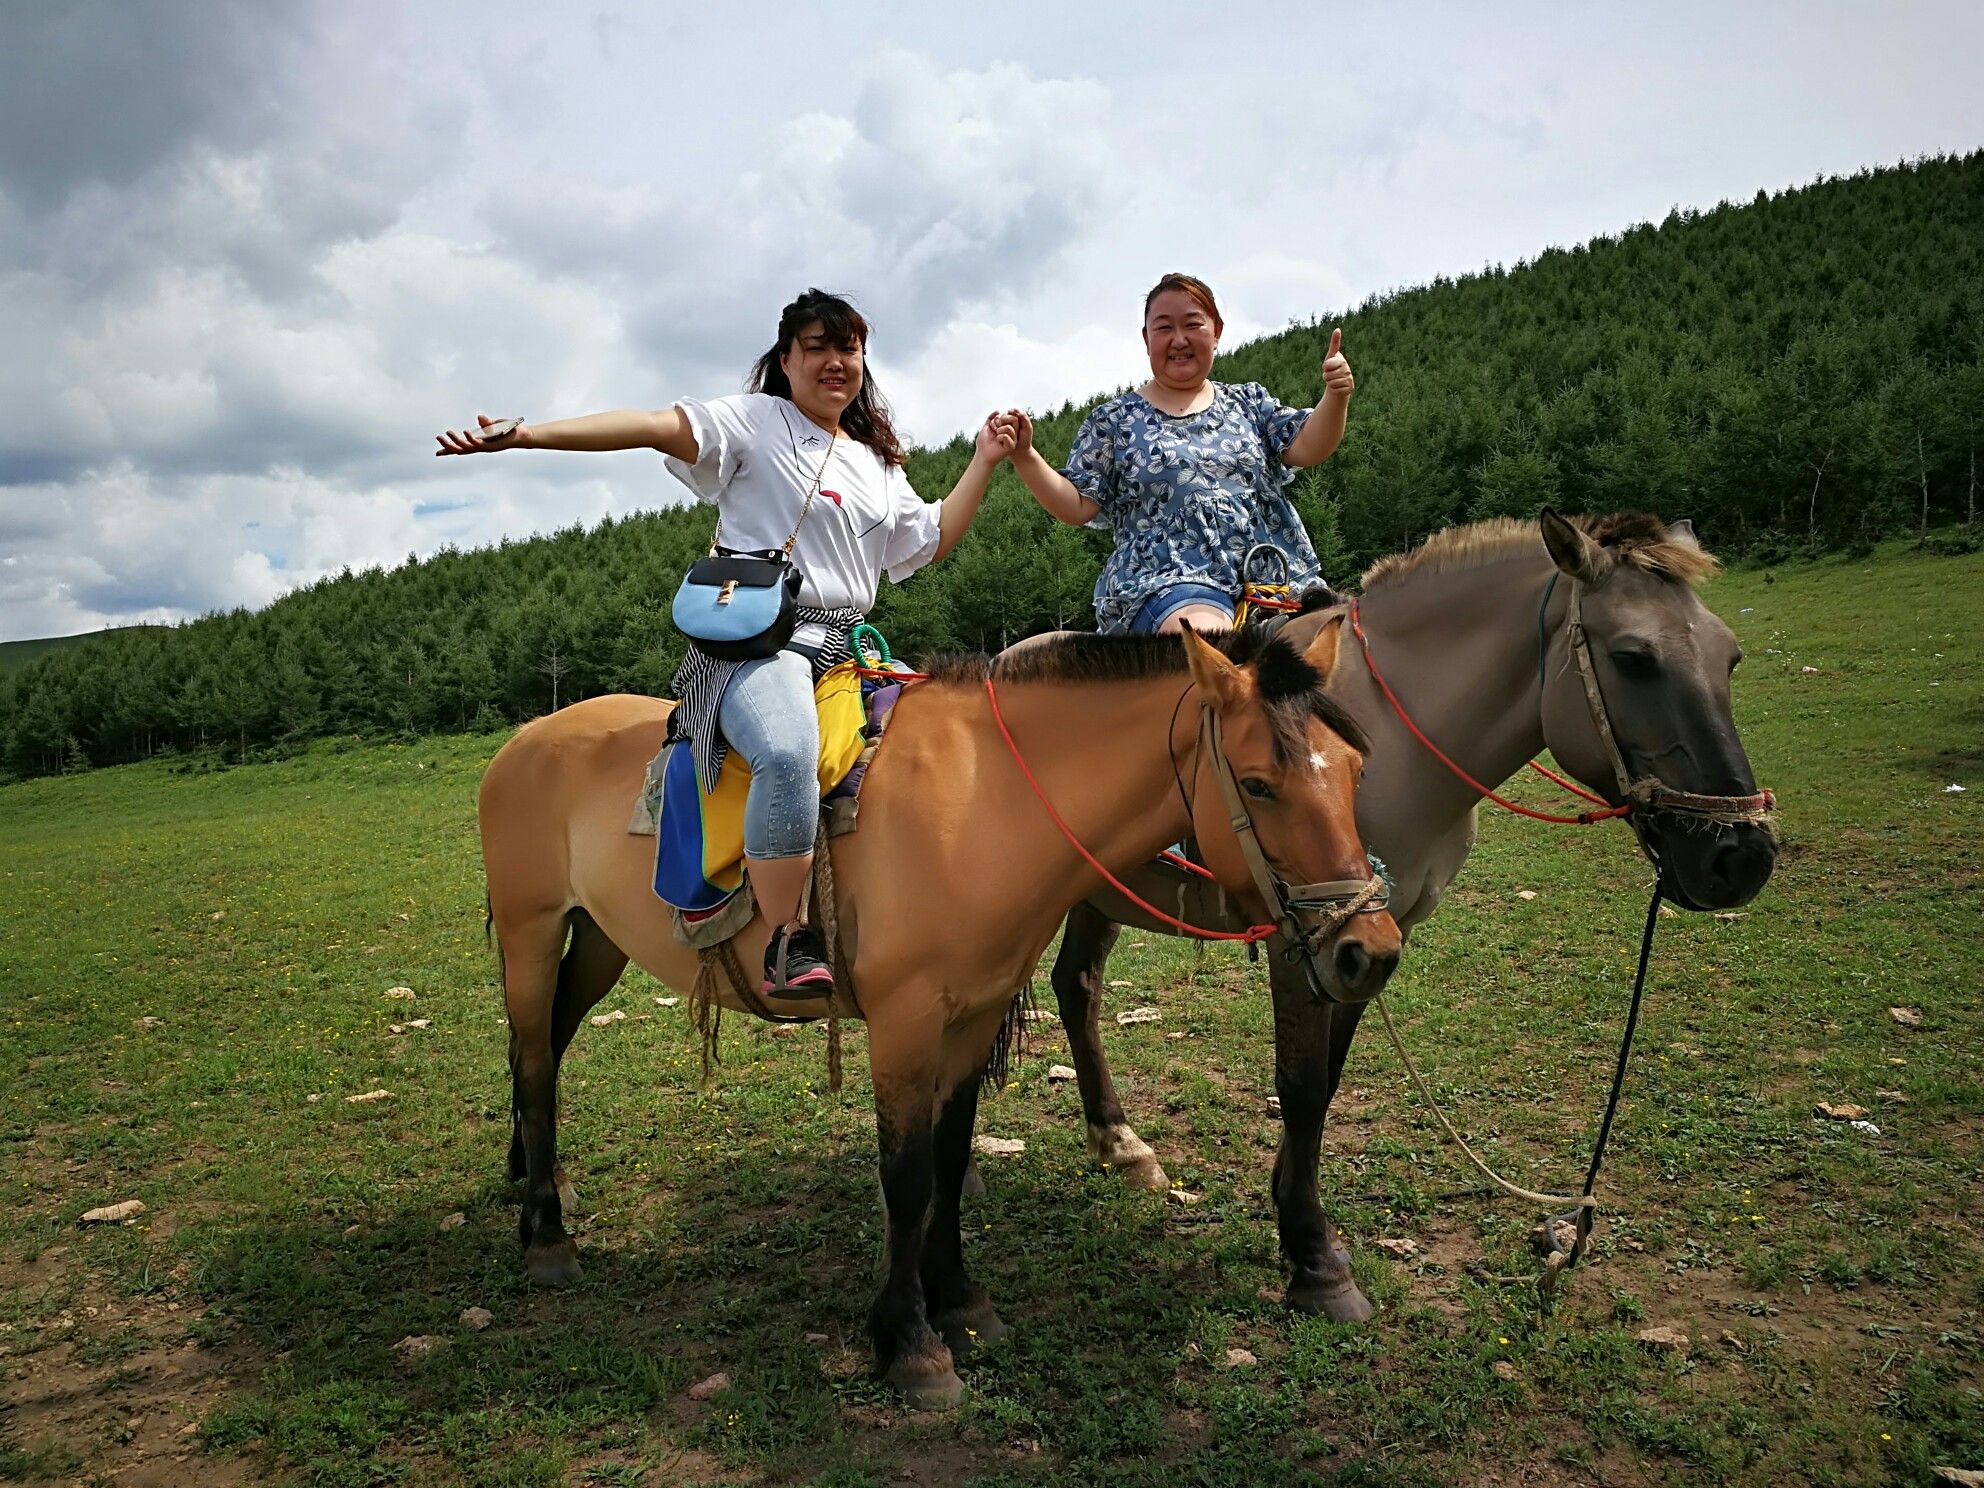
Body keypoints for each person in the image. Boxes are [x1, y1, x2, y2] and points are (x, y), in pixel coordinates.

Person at [436, 289, 1013, 998]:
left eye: (849, 349)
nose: (836, 362)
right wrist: (530, 436)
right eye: (817, 348)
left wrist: (984, 460)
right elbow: (651, 425)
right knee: (786, 748)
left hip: (850, 649)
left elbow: (929, 541)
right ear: (786, 360)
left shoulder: (873, 461)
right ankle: (784, 938)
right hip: (758, 647)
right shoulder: (754, 422)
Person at [1000, 272, 1355, 634]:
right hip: (1168, 583)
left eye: (1192, 324)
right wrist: (1026, 456)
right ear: (1146, 338)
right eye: (1164, 327)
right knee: (1209, 644)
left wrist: (1336, 395)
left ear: (1216, 331)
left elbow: (1309, 446)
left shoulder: (1248, 403)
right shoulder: (1114, 422)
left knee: (1344, 652)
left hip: (1274, 578)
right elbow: (1076, 505)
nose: (1179, 339)